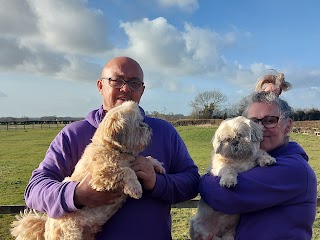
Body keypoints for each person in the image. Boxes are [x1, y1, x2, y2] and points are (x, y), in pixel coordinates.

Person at [24, 56, 200, 239]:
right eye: (116, 80)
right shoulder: (73, 134)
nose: (125, 88)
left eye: (134, 83)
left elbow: (192, 182)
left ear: (142, 90)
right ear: (100, 86)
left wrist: (157, 183)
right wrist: (76, 195)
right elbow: (34, 190)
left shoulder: (165, 131)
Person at [198, 91, 317, 239]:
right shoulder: (255, 161)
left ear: (288, 126)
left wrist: (203, 181)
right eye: (253, 121)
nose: (260, 128)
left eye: (270, 120)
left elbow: (223, 197)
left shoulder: (293, 169)